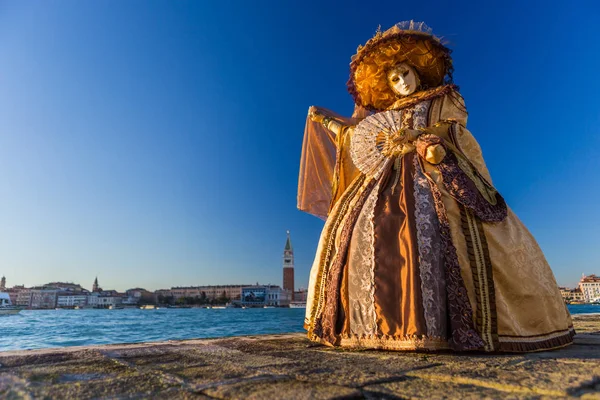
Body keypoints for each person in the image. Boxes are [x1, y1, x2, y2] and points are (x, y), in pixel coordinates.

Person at [298, 21, 573, 352]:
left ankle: (441, 326)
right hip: (384, 176)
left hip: (433, 169)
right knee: (361, 229)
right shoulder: (382, 115)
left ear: (417, 73)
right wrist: (328, 121)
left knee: (437, 228)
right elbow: (356, 136)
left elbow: (454, 128)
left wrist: (424, 139)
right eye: (394, 79)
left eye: (406, 74)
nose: (402, 83)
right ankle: (370, 325)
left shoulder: (443, 99)